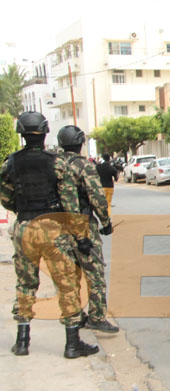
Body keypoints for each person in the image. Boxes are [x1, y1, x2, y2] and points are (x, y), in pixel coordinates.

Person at [0, 111, 99, 358]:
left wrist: (23, 211)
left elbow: (5, 198)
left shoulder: (9, 163)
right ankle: (72, 343)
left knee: (25, 283)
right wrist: (81, 237)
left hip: (24, 226)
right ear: (45, 134)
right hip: (53, 227)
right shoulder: (57, 162)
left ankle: (22, 341)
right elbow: (70, 204)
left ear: (21, 134)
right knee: (66, 286)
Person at [57, 125, 119, 333]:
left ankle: (75, 316)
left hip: (57, 227)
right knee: (95, 275)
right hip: (83, 225)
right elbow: (97, 197)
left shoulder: (52, 165)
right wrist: (106, 223)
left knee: (68, 276)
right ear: (81, 143)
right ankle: (97, 316)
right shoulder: (83, 166)